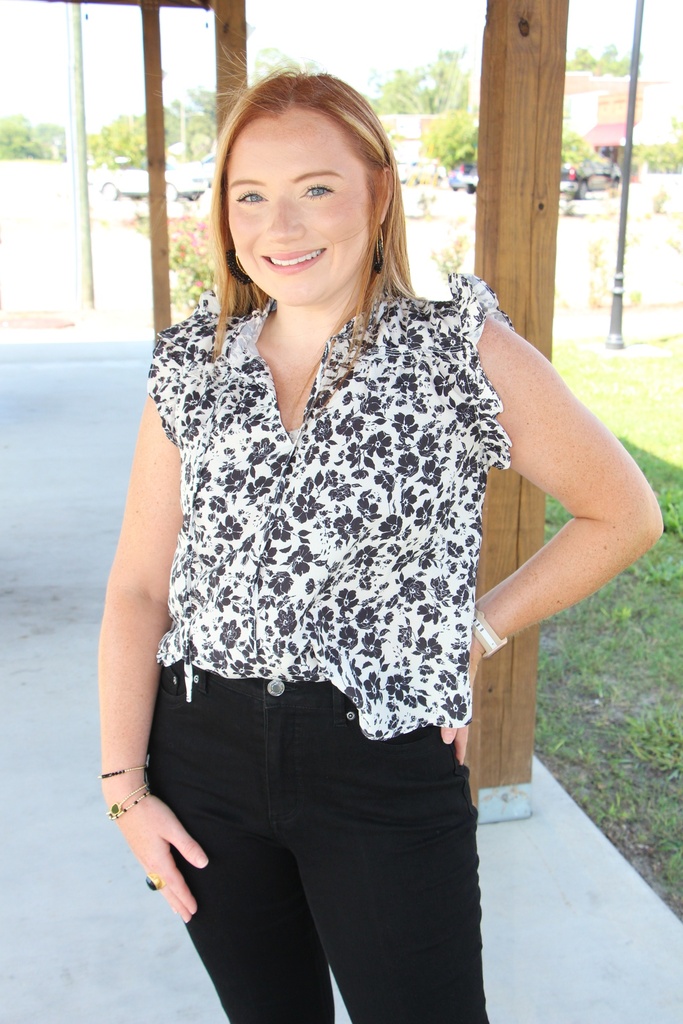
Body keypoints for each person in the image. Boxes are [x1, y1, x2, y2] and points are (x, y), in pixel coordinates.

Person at [98, 70, 662, 1024]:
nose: (281, 225)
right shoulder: (193, 363)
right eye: (250, 194)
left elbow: (623, 514)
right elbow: (140, 590)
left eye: (315, 187)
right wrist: (125, 791)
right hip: (202, 764)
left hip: (379, 762)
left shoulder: (454, 351)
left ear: (378, 191)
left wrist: (468, 635)